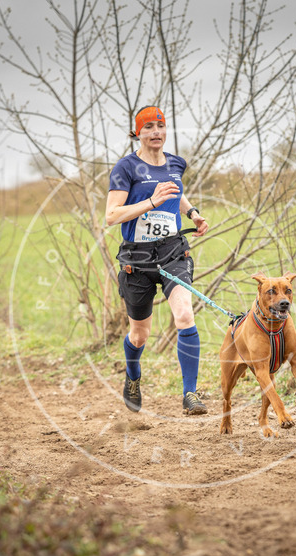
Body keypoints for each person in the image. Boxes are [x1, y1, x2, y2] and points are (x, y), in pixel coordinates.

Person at [106, 106, 209, 415]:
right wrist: (151, 201)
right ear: (138, 132)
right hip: (136, 258)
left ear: (166, 130)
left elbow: (174, 192)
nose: (155, 132)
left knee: (185, 315)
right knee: (140, 335)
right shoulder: (125, 168)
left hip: (172, 251)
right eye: (148, 127)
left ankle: (190, 393)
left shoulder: (176, 163)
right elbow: (111, 216)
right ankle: (132, 377)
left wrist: (192, 213)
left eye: (160, 126)